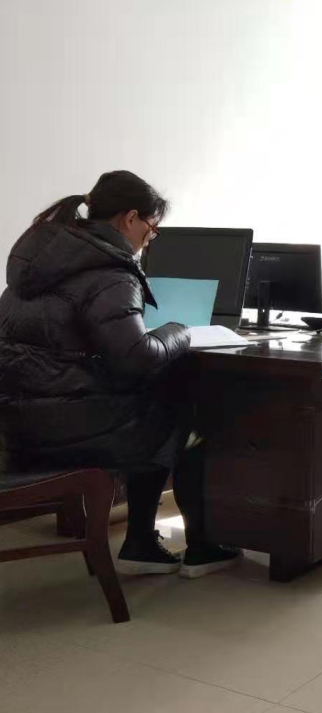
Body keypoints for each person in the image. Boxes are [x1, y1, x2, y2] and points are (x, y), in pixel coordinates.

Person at [0, 171, 240, 578]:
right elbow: (137, 358)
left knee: (155, 404)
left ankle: (141, 544)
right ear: (130, 218)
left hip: (19, 429)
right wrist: (178, 331)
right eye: (152, 228)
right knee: (187, 422)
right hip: (70, 432)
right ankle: (200, 548)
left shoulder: (36, 267)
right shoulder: (111, 271)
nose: (150, 238)